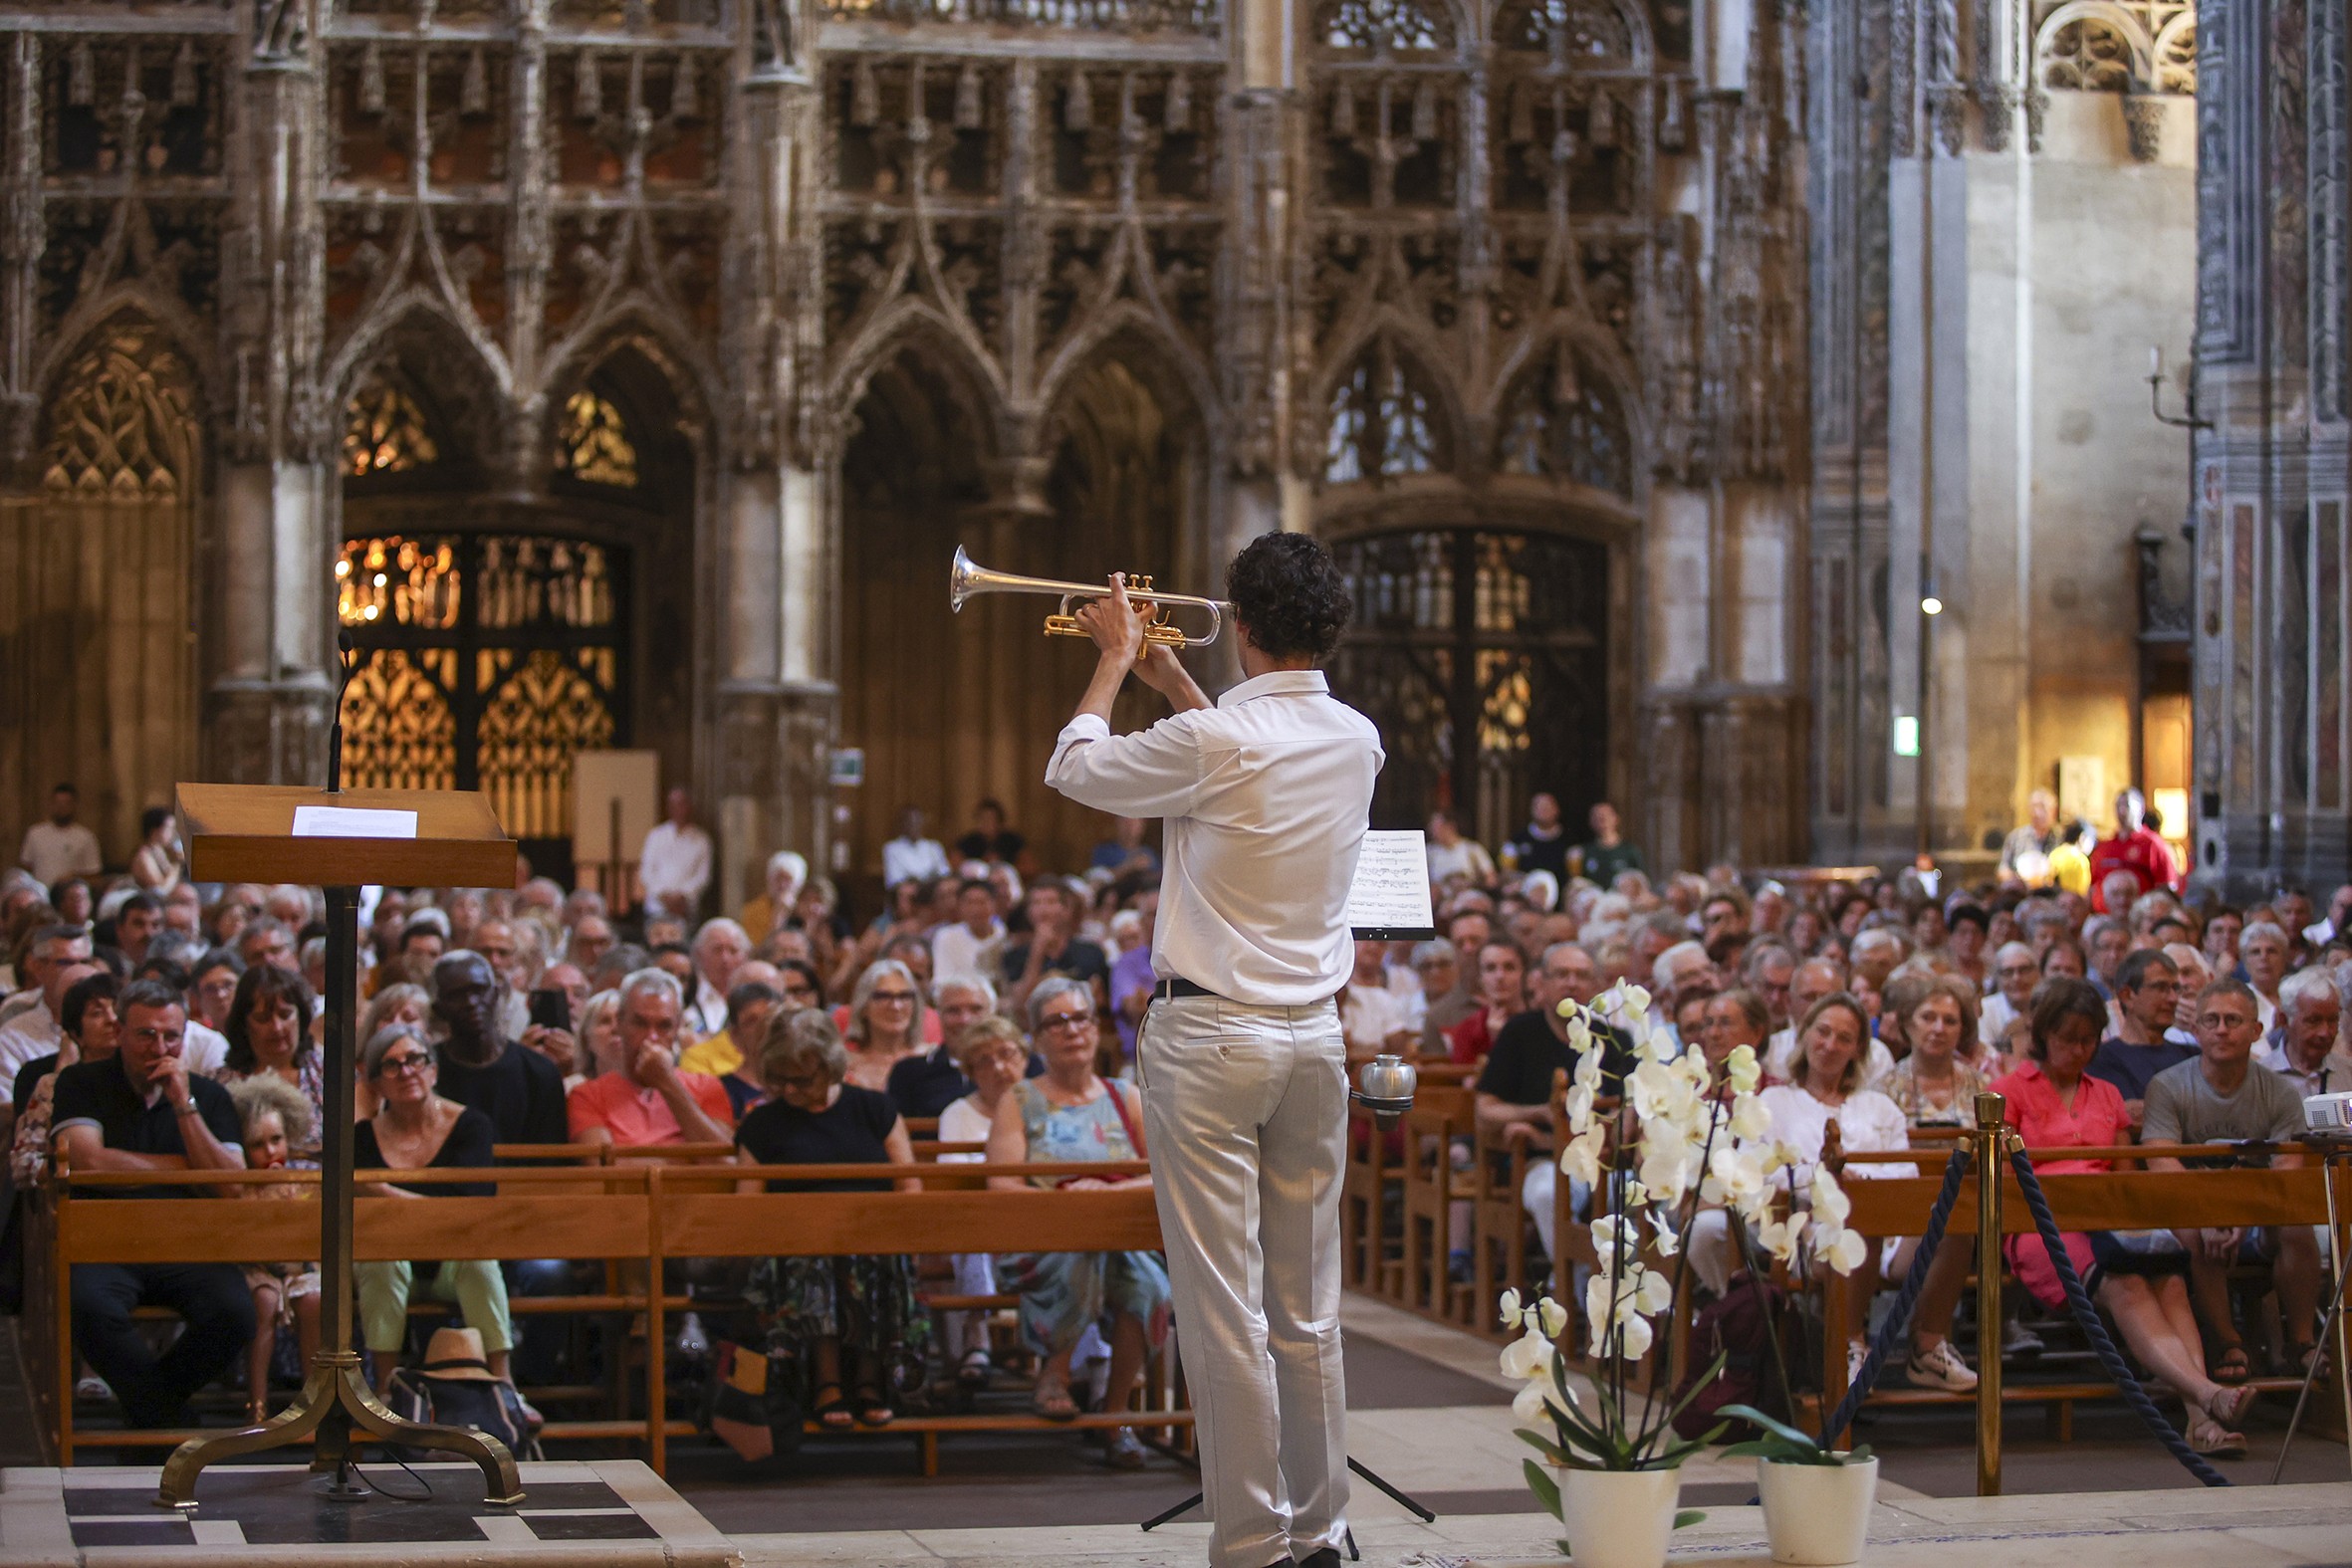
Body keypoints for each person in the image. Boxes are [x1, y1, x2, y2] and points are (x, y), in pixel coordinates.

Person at [1043, 532, 1377, 1568]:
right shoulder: (1356, 738)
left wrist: (1109, 656)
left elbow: (1075, 769)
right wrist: (1177, 673)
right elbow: (1247, 773)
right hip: (1314, 1041)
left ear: (1241, 624)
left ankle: (1250, 1545)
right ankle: (1321, 1530)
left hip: (1211, 1033)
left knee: (1222, 1306)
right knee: (1307, 1307)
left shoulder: (1220, 742)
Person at [1990, 978, 2255, 1456]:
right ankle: (2205, 1397)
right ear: (2044, 1034)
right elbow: (2001, 1178)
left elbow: (2125, 1174)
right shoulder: (2008, 1091)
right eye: (2067, 1039)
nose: (2077, 1049)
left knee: (2169, 1279)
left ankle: (2202, 1417)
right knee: (2126, 1284)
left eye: (2088, 1040)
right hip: (2040, 1223)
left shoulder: (2108, 1094)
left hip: (2107, 1218)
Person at [51, 980, 254, 1426]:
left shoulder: (210, 1095)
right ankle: (164, 1416)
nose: (158, 1046)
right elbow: (87, 1161)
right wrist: (186, 1169)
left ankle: (149, 1410)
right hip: (105, 1245)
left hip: (187, 1245)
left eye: (171, 1035)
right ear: (121, 1031)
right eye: (145, 1034)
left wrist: (184, 1105)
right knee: (86, 1307)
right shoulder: (81, 1082)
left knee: (237, 1313)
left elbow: (229, 1187)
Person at [987, 977, 1167, 1468]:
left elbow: (1163, 1176)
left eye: (1081, 1018)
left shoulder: (1123, 1096)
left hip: (1121, 1240)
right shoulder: (1019, 1100)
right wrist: (1071, 1206)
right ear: (1038, 1037)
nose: (1072, 1030)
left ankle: (1115, 1415)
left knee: (1151, 1286)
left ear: (1096, 1028)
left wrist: (1105, 1195)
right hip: (1041, 1243)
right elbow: (1001, 1187)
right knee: (1083, 1247)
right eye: (1057, 1022)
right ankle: (1056, 1371)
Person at [733, 1008, 926, 1429]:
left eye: (802, 1079)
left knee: (872, 1259)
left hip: (872, 1240)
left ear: (831, 1067)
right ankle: (828, 1379)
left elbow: (909, 1190)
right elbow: (747, 1208)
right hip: (791, 1250)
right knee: (817, 1259)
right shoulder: (762, 1124)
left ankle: (871, 1380)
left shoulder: (876, 1110)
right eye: (779, 1079)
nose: (789, 1089)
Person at [2144, 981, 2322, 1380]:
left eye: (2233, 1020)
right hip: (2192, 1210)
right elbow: (2160, 1161)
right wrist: (2211, 1214)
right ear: (2197, 1030)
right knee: (2196, 1235)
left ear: (2256, 1031)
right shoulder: (2168, 1086)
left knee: (2298, 1227)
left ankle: (2302, 1343)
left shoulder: (2279, 1093)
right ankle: (2228, 1343)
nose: (2222, 1029)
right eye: (2211, 1020)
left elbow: (2287, 1175)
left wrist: (2242, 1214)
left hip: (2259, 1213)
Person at [352, 1023, 515, 1397]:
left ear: (433, 1069)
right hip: (388, 1260)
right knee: (380, 1258)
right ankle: (387, 1387)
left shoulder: (471, 1126)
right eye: (390, 1066)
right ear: (375, 1083)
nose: (406, 1071)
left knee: (479, 1260)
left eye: (415, 1059)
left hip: (451, 1258)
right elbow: (363, 1220)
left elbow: (470, 1212)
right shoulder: (362, 1138)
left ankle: (503, 1384)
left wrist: (382, 1192)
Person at [938, 1014, 1030, 1387]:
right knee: (972, 1231)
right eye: (984, 1061)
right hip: (980, 1224)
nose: (999, 1068)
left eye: (1007, 1055)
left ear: (1024, 1058)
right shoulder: (957, 1114)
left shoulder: (1040, 1105)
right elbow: (954, 1182)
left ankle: (1083, 1356)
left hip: (1035, 1221)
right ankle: (977, 1335)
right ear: (970, 1072)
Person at [226, 1075, 322, 1422]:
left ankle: (314, 1400)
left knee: (313, 1300)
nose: (270, 1153)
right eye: (257, 1144)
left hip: (298, 1266)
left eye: (276, 1140)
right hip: (255, 1268)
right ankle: (257, 1403)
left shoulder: (302, 1182)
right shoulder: (239, 1188)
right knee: (264, 1302)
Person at [567, 969, 734, 1151]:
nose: (651, 1037)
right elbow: (604, 1172)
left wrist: (668, 1083)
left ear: (678, 1028)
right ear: (620, 1022)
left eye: (664, 1026)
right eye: (640, 1023)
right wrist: (686, 1161)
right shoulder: (588, 1096)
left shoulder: (707, 1087)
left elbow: (724, 1163)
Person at [428, 950, 569, 1149]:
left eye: (479, 991)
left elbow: (552, 1161)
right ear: (438, 1009)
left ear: (495, 994)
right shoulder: (425, 1073)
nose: (471, 1002)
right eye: (456, 996)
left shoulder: (539, 1073)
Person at [212, 965, 325, 1163]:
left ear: (301, 1016)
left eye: (285, 1014)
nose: (277, 1027)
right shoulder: (221, 1086)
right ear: (244, 1025)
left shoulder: (329, 1073)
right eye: (263, 1018)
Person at [2086, 949, 2196, 1130]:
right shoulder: (2100, 1060)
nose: (2173, 998)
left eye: (2175, 989)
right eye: (2160, 988)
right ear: (2128, 995)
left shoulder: (2191, 1055)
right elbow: (2126, 1119)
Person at [1883, 975, 1986, 1128]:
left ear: (1962, 1030)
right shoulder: (1886, 1089)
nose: (1939, 1029)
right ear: (1908, 1023)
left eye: (1950, 1021)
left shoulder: (1982, 1087)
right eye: (1928, 1018)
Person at [999, 878, 1109, 1019]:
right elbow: (1020, 1004)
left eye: (1050, 902)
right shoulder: (1014, 955)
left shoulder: (1091, 952)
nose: (1043, 909)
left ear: (1066, 909)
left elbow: (1102, 1002)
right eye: (1036, 903)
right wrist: (1037, 951)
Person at [2086, 787, 2180, 912]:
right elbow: (2093, 886)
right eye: (2118, 805)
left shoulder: (2152, 844)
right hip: (2106, 917)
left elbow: (2167, 886)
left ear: (2141, 809)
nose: (2122, 811)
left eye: (2127, 805)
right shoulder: (2104, 848)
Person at [2259, 967, 2350, 1095]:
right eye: (2314, 1021)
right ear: (2284, 1020)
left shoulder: (2348, 1075)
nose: (2325, 1032)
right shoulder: (2258, 1079)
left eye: (2332, 1020)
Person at [842, 958, 924, 1092]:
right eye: (884, 996)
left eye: (904, 996)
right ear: (863, 1007)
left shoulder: (932, 1059)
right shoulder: (844, 1066)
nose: (896, 1006)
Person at [1446, 937, 1527, 1066]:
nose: (1500, 976)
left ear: (1523, 973)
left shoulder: (1542, 1024)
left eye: (1509, 967)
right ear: (1480, 978)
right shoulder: (1467, 1031)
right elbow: (1468, 1084)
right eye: (1490, 968)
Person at [638, 786, 713, 918]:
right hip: (657, 907)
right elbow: (646, 872)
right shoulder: (656, 836)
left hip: (685, 908)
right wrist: (664, 895)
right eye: (672, 805)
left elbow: (702, 876)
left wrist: (681, 896)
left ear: (689, 806)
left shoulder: (701, 839)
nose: (677, 809)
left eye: (681, 804)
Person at [1339, 938, 1413, 1060]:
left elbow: (1400, 1047)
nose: (1373, 947)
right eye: (1366, 940)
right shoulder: (1334, 989)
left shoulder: (1387, 998)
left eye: (1380, 943)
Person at [19, 784, 102, 888]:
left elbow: (94, 875)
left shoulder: (85, 837)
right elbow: (26, 869)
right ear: (51, 804)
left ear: (74, 805)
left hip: (68, 898)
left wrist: (74, 878)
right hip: (40, 896)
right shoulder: (35, 833)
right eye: (58, 803)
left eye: (66, 803)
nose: (62, 807)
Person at [929, 879, 1005, 989]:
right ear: (960, 906)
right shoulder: (946, 936)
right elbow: (941, 981)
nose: (975, 909)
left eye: (981, 902)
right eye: (969, 903)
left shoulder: (1003, 935)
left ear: (994, 904)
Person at [1999, 788, 2062, 888]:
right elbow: (2002, 870)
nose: (2038, 813)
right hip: (2023, 894)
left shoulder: (2061, 839)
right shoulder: (2016, 837)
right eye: (2034, 808)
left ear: (2053, 811)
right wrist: (2019, 880)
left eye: (2043, 808)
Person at [739, 850, 808, 941]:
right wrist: (778, 913)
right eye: (779, 878)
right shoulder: (752, 912)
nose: (782, 885)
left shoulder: (805, 910)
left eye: (788, 880)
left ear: (798, 884)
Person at [1572, 801, 1643, 889]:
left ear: (1616, 818)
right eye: (1597, 816)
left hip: (1621, 901)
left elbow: (1642, 884)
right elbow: (1576, 884)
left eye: (1606, 815)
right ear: (1590, 821)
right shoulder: (1584, 852)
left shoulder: (1630, 851)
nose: (1602, 820)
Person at [1502, 791, 1569, 880]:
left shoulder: (1569, 840)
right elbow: (1506, 872)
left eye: (1547, 807)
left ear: (1556, 810)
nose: (1542, 810)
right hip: (1526, 888)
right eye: (1538, 807)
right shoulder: (1517, 840)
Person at [881, 806, 952, 890]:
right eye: (910, 822)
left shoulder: (934, 846)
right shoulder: (892, 848)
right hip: (908, 893)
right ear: (902, 824)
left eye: (917, 821)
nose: (914, 826)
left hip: (932, 892)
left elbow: (945, 873)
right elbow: (895, 880)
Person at [2236, 920, 2290, 1029]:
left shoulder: (2295, 997)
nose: (2264, 957)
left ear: (2284, 959)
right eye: (2256, 952)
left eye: (2271, 951)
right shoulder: (2237, 1000)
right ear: (2245, 961)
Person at [1424, 810, 1495, 886]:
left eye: (1436, 827)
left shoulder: (1472, 849)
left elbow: (1491, 879)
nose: (1432, 831)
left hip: (1467, 894)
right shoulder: (1428, 852)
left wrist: (1472, 884)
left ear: (1450, 827)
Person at [127, 806, 183, 894]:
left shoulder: (158, 851)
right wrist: (176, 868)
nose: (172, 833)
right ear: (154, 831)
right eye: (169, 828)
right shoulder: (143, 856)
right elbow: (160, 890)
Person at [955, 798, 1026, 866]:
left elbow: (1029, 866)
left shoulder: (1012, 841)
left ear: (1000, 822)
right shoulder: (969, 842)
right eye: (983, 819)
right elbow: (954, 863)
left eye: (991, 819)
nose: (987, 823)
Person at [1090, 815, 1158, 876]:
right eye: (1125, 822)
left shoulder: (1149, 853)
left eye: (1134, 823)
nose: (1129, 827)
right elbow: (1097, 879)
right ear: (1117, 823)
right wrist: (1128, 867)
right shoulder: (1104, 851)